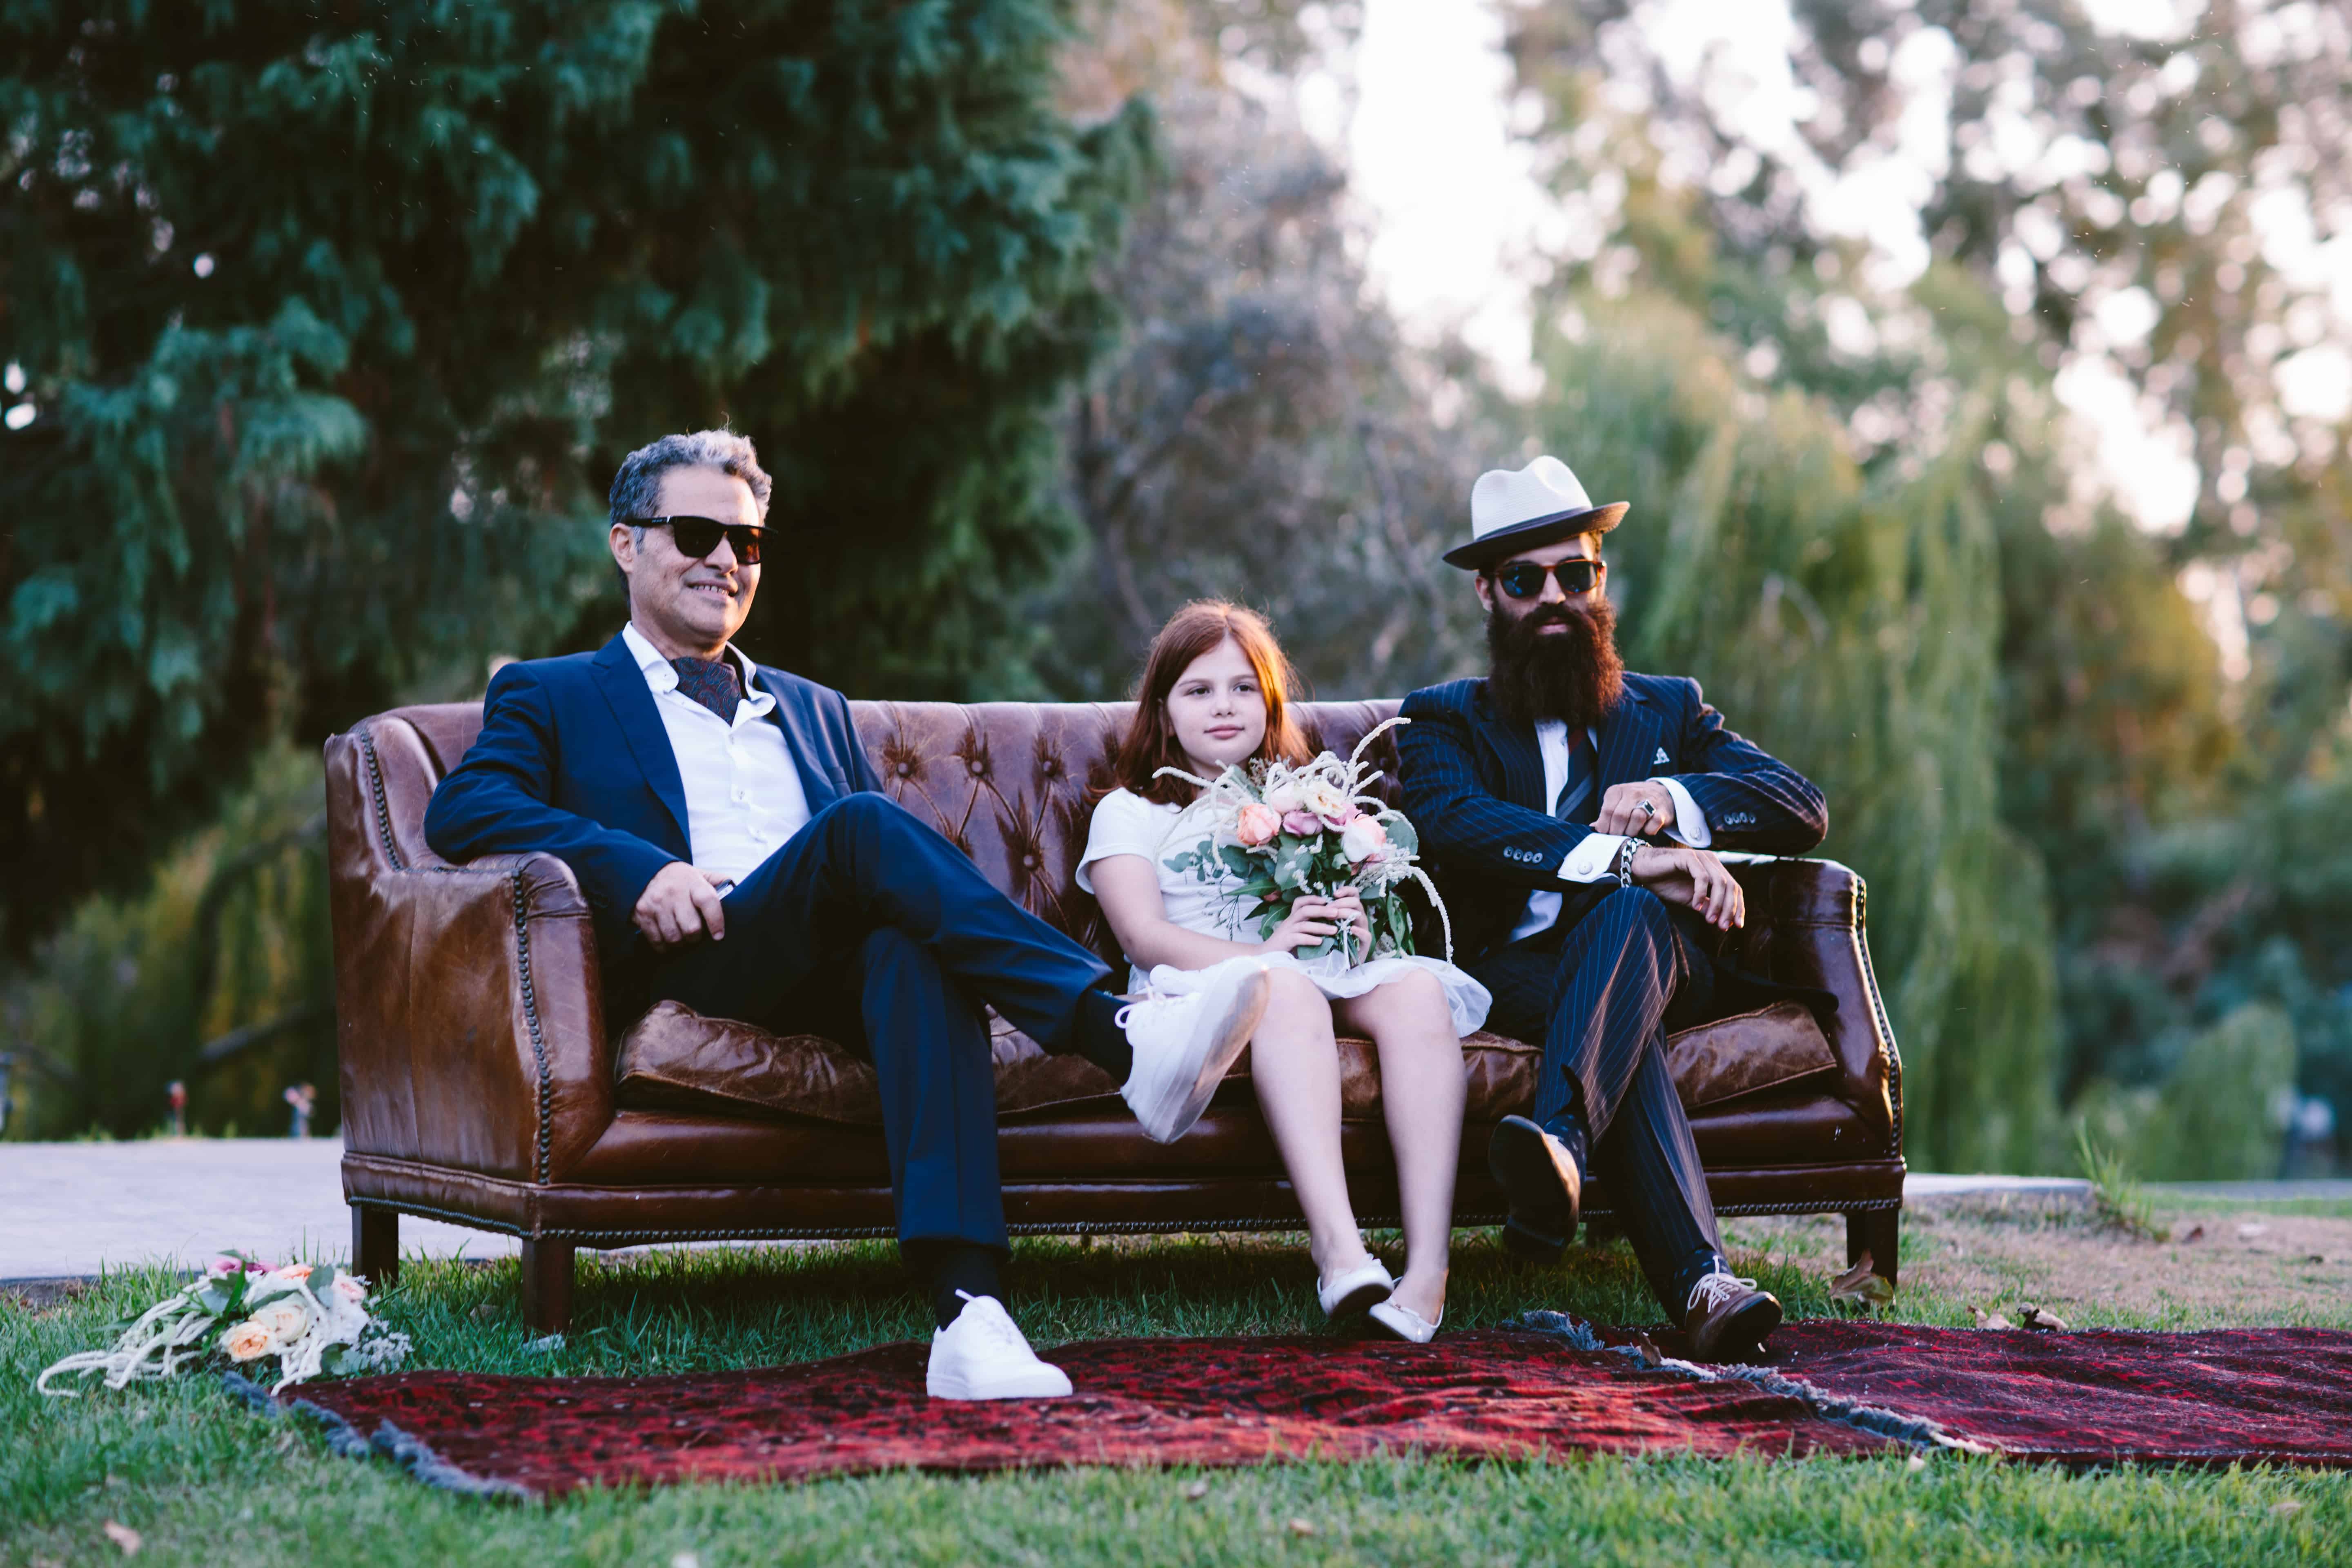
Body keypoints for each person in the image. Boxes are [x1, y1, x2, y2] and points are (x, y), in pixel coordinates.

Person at [423, 430, 1270, 1401]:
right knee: (863, 827)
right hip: (698, 957)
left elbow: (872, 882)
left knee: (912, 947)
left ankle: (970, 1314)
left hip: (827, 968)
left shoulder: (812, 706)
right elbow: (466, 808)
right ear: (627, 543)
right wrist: (639, 869)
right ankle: (1116, 1032)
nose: (725, 559)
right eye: (697, 533)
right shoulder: (555, 691)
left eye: (746, 543)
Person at [1398, 455, 1829, 1361]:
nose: (1555, 597)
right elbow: (1459, 822)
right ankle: (1704, 1286)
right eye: (1526, 581)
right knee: (1621, 983)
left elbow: (1800, 807)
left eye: (1575, 573)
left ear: (1601, 579)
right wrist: (1634, 860)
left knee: (1631, 921)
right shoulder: (1443, 720)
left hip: (1669, 961)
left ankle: (1558, 1143)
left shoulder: (1668, 712)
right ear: (1487, 594)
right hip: (1512, 971)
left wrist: (1675, 801)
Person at [1080, 601, 1488, 1343]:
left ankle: (1429, 1269)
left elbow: (1326, 925)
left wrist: (1356, 926)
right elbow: (1143, 937)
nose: (1224, 706)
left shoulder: (1304, 803)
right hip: (1199, 986)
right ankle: (1340, 1252)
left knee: (1417, 990)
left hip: (1307, 970)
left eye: (1243, 688)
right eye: (1199, 690)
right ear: (1164, 713)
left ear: (1270, 705)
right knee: (1287, 990)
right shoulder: (1131, 811)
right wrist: (1269, 958)